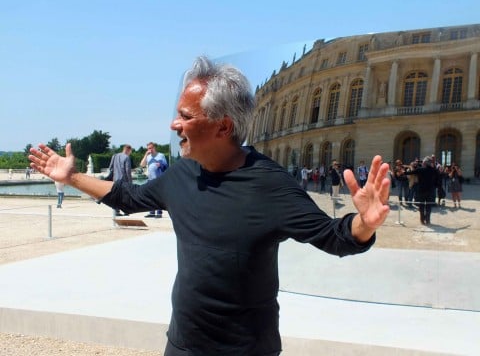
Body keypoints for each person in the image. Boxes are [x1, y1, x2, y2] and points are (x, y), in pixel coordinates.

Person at [28, 56, 391, 356]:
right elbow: (128, 197)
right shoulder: (182, 174)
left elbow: (334, 237)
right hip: (183, 344)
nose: (175, 124)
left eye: (186, 116)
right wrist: (72, 176)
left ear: (223, 126)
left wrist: (365, 222)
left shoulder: (270, 185)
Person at [404, 156, 440, 225]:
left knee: (422, 206)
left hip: (421, 190)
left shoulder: (420, 169)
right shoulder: (434, 170)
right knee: (428, 206)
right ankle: (428, 220)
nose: (422, 163)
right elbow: (438, 178)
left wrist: (404, 171)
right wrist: (435, 186)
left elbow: (410, 173)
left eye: (423, 162)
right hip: (430, 191)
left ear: (425, 163)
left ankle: (422, 220)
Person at [140, 142, 168, 218]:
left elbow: (166, 166)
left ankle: (159, 213)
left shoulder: (161, 155)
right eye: (148, 148)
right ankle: (151, 212)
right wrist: (146, 155)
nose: (150, 150)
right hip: (150, 179)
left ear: (154, 147)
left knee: (158, 196)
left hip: (159, 179)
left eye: (151, 148)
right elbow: (142, 165)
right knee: (150, 197)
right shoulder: (148, 157)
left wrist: (161, 165)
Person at [108, 144, 133, 216]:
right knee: (125, 196)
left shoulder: (114, 156)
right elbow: (128, 171)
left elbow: (110, 167)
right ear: (128, 150)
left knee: (116, 196)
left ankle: (116, 211)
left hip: (115, 180)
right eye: (130, 151)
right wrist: (130, 182)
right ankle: (126, 211)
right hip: (123, 180)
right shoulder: (126, 157)